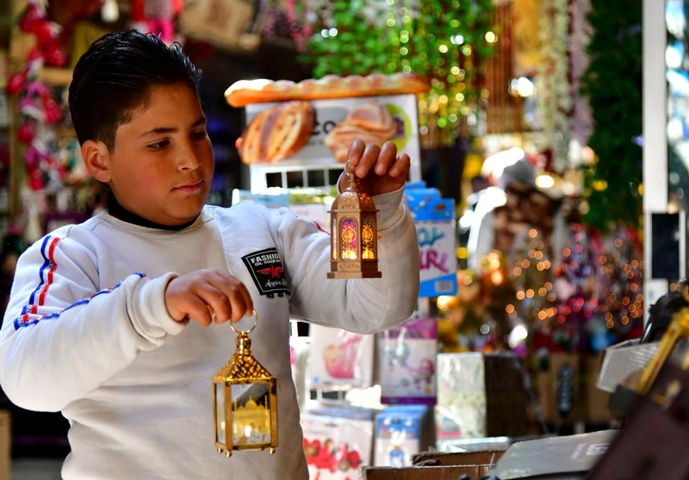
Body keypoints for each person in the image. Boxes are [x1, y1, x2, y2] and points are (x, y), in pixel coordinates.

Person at [0, 30, 419, 480]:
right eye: (160, 143)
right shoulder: (73, 255)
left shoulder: (261, 231)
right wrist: (151, 306)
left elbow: (375, 308)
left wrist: (380, 215)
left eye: (197, 133)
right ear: (99, 161)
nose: (190, 159)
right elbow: (25, 379)